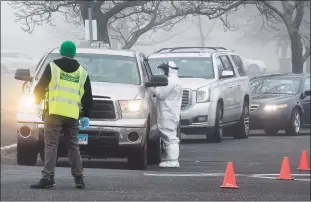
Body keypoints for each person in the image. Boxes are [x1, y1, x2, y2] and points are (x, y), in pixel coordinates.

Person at [30, 41, 93, 189]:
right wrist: (86, 114)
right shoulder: (82, 71)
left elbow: (40, 87)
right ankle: (79, 178)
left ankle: (48, 177)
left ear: (61, 52)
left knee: (51, 144)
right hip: (72, 114)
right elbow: (88, 96)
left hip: (54, 112)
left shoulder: (53, 67)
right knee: (73, 145)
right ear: (74, 53)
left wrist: (37, 100)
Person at [154, 61, 183, 168]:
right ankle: (170, 159)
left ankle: (173, 160)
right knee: (170, 135)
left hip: (167, 111)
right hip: (171, 111)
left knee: (170, 137)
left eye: (164, 70)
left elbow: (162, 95)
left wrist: (156, 87)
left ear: (169, 69)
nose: (163, 72)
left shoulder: (171, 81)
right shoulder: (176, 80)